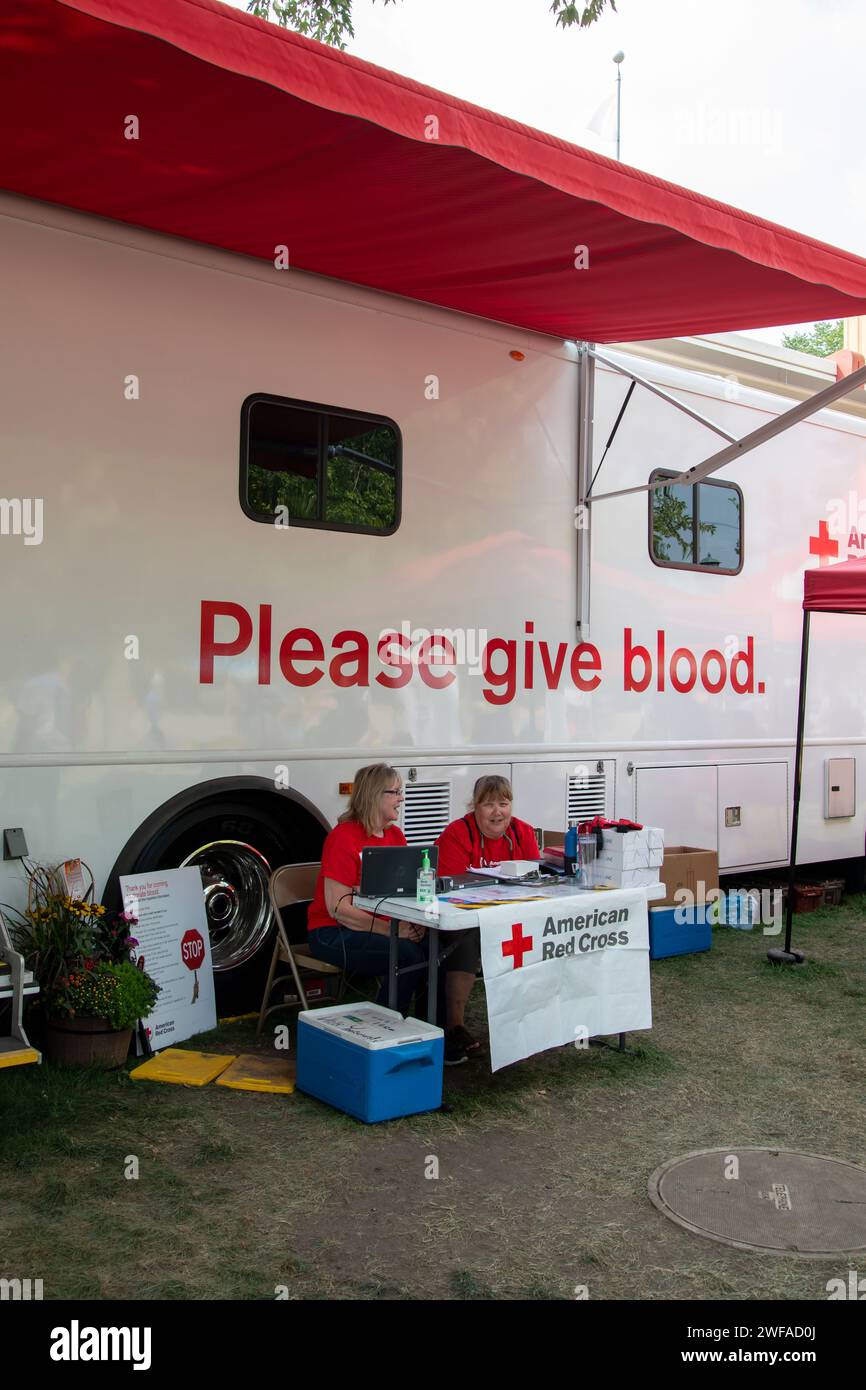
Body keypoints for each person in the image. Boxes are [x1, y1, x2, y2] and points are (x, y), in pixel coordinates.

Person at [306, 763, 427, 1015]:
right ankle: (387, 1025)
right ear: (374, 795)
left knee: (436, 948)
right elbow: (338, 908)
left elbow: (402, 893)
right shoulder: (343, 837)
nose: (401, 798)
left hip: (378, 928)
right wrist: (393, 931)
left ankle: (437, 1030)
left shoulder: (395, 836)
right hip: (332, 932)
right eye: (395, 792)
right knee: (407, 954)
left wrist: (416, 924)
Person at [435, 775, 540, 1065]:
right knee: (467, 938)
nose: (497, 812)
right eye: (488, 804)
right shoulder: (457, 833)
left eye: (503, 804)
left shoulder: (523, 832)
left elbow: (534, 878)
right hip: (463, 920)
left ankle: (533, 1022)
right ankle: (455, 1028)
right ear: (475, 807)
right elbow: (449, 889)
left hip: (511, 916)